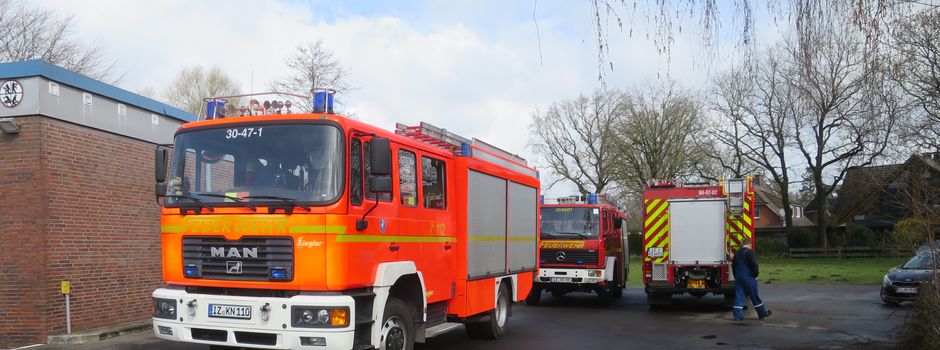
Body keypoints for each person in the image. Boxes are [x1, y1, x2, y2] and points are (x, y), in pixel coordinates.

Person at [732, 238, 771, 321]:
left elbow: (733, 266)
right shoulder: (750, 252)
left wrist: (736, 276)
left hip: (739, 277)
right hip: (749, 277)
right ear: (750, 245)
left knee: (739, 296)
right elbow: (754, 264)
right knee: (754, 295)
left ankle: (737, 316)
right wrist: (756, 274)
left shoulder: (737, 253)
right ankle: (762, 313)